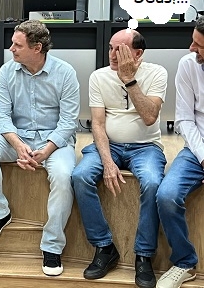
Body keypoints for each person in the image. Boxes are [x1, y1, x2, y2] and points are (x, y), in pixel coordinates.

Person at [0, 20, 79, 276]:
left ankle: (52, 245)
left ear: (37, 48)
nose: (11, 49)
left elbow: (68, 122)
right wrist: (18, 145)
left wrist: (46, 151)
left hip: (55, 142)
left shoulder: (65, 73)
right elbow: (1, 114)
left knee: (64, 176)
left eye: (17, 45)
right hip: (17, 137)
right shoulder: (7, 71)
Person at [71, 29, 167, 288]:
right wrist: (108, 162)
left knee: (153, 182)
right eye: (111, 48)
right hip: (108, 145)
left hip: (145, 147)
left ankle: (144, 255)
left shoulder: (157, 73)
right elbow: (98, 124)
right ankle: (104, 246)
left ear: (138, 53)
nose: (113, 55)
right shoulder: (98, 76)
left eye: (120, 50)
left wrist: (129, 80)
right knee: (80, 176)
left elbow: (150, 117)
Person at [156, 17, 204, 288]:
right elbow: (185, 119)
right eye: (193, 41)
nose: (191, 49)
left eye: (199, 45)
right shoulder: (188, 64)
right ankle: (185, 262)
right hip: (197, 148)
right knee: (166, 196)